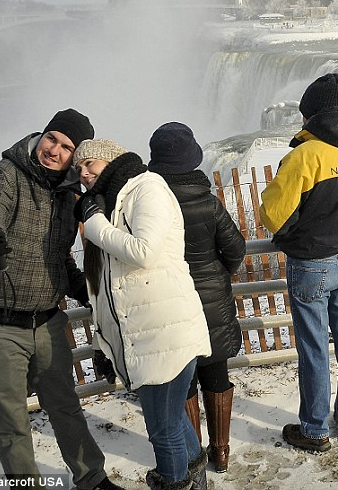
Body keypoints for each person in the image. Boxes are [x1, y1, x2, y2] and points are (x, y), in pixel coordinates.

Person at [0, 108, 121, 488]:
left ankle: (92, 478)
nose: (55, 150)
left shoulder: (67, 195)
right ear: (41, 136)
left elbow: (58, 257)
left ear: (74, 156)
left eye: (66, 147)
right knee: (11, 421)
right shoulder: (2, 174)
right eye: (52, 139)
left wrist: (89, 292)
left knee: (65, 406)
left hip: (46, 323)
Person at [73, 139, 211, 490]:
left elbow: (145, 252)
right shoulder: (111, 202)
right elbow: (108, 289)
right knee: (173, 419)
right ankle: (196, 479)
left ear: (112, 160)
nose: (84, 173)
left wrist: (94, 224)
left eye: (91, 163)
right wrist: (102, 343)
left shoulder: (145, 188)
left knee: (162, 430)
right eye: (79, 168)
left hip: (165, 331)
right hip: (146, 335)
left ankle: (176, 482)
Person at [259, 72, 338, 453]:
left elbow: (273, 216)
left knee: (314, 348)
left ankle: (314, 429)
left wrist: (294, 235)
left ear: (311, 116)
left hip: (312, 263)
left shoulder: (303, 156)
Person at [147, 122, 246, 473]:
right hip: (211, 304)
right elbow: (235, 249)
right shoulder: (209, 203)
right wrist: (218, 274)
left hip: (170, 305)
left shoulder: (149, 205)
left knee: (184, 380)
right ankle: (222, 452)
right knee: (216, 373)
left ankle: (194, 453)